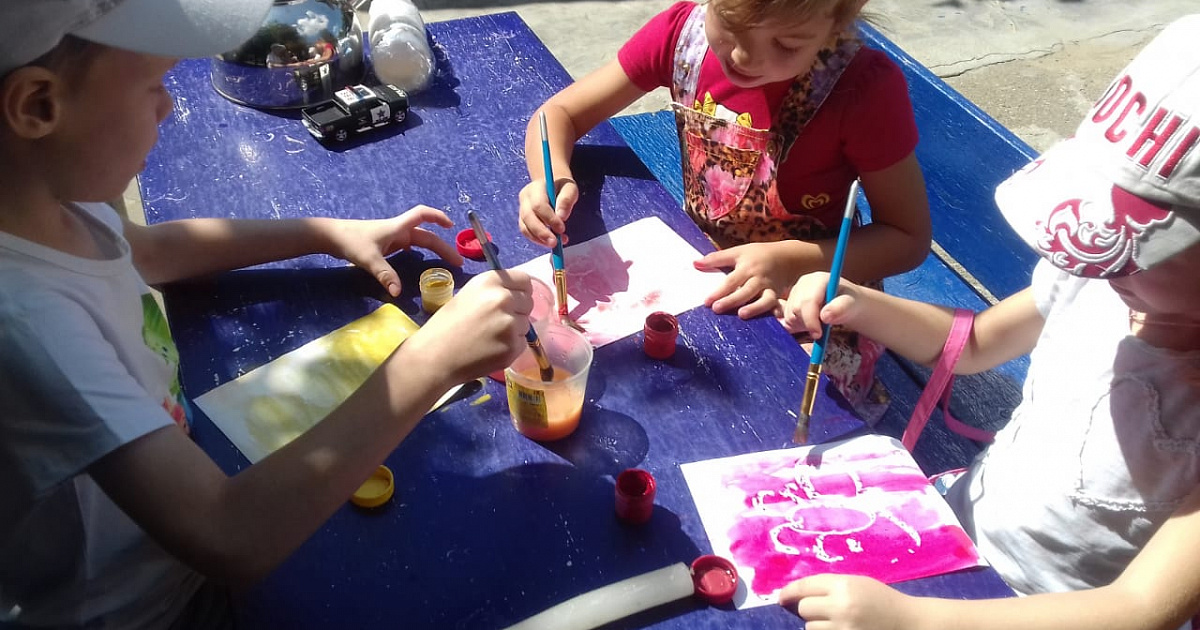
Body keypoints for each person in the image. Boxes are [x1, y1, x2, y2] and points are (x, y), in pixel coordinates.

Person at [0, 1, 534, 628]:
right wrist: (433, 359)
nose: (168, 107)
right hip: (153, 610)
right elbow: (227, 535)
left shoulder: (52, 201)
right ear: (38, 105)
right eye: (153, 85)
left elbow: (147, 251)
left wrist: (328, 233)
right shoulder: (29, 325)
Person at [776, 14, 1200, 630]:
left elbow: (1138, 609)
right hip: (960, 529)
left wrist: (915, 622)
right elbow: (972, 342)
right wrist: (859, 303)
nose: (1092, 261)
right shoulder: (1094, 282)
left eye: (1134, 250)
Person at [517, 0, 931, 421]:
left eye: (787, 44)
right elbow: (557, 116)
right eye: (730, 27)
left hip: (811, 303)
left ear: (842, 16)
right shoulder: (682, 38)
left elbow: (907, 238)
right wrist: (552, 179)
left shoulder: (863, 89)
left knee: (772, 420)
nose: (743, 57)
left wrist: (789, 262)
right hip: (697, 273)